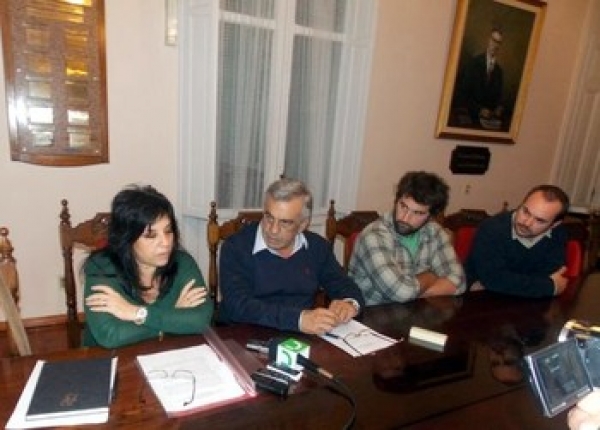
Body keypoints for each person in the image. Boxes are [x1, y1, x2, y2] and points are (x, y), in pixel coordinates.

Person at [217, 178, 364, 335]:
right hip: (242, 335)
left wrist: (349, 303)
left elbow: (342, 283)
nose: (272, 230)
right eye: (269, 217)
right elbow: (238, 305)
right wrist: (298, 319)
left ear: (302, 225)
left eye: (285, 223)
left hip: (298, 337)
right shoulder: (237, 247)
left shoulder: (317, 247)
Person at [83, 184, 213, 348]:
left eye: (168, 231)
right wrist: (172, 316)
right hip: (108, 361)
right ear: (127, 238)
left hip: (165, 355)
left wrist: (136, 313)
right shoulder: (102, 267)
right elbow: (111, 335)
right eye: (151, 235)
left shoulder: (183, 263)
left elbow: (201, 320)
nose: (165, 243)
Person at [348, 171, 466, 305]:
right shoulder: (374, 236)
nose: (405, 218)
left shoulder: (435, 233)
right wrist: (430, 277)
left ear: (431, 216)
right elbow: (401, 293)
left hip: (416, 314)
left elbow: (459, 282)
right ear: (396, 200)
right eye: (403, 206)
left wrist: (414, 291)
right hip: (373, 318)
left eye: (417, 213)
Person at [465, 185, 570, 298]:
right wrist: (549, 286)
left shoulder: (558, 233)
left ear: (554, 224)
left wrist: (510, 282)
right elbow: (494, 279)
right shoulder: (492, 228)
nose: (527, 222)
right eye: (525, 211)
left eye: (540, 220)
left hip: (532, 302)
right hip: (482, 300)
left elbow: (553, 272)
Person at [456, 28, 505, 127]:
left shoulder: (499, 71)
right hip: (470, 118)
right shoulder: (474, 63)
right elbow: (462, 95)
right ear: (489, 40)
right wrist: (479, 110)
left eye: (499, 43)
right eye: (494, 40)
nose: (495, 45)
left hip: (488, 122)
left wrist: (499, 107)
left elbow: (498, 98)